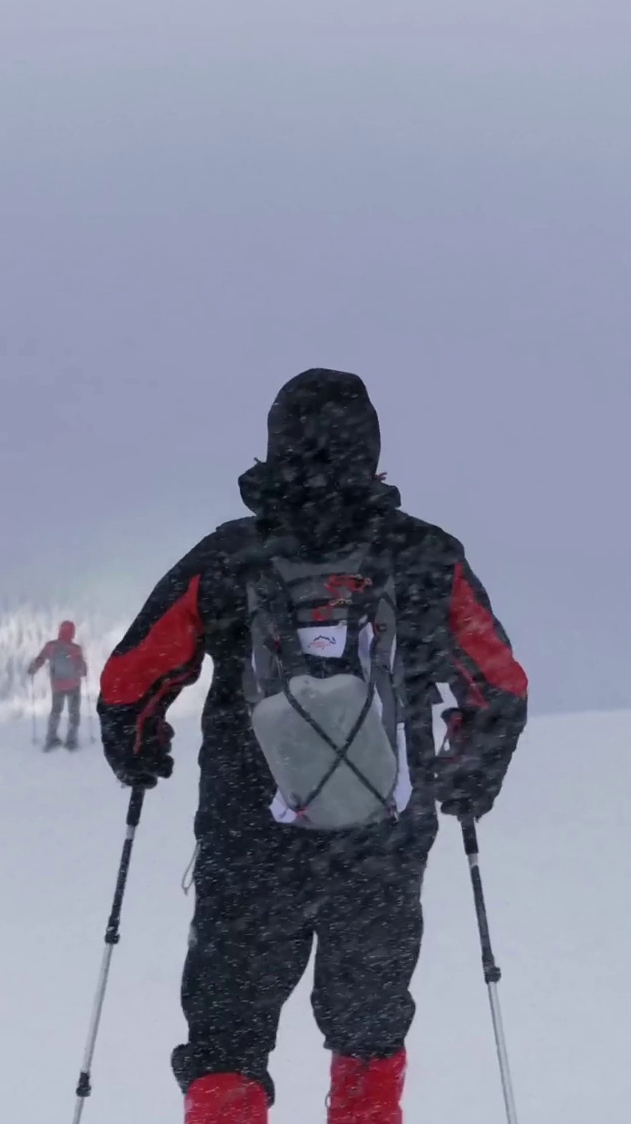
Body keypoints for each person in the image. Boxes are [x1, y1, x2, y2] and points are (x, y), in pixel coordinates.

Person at [98, 369, 528, 1124]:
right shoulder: (424, 554)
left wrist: (139, 746)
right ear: (373, 454)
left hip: (248, 840)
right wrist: (469, 773)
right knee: (368, 1025)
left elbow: (131, 680)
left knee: (228, 1036)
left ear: (273, 448)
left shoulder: (228, 556)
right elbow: (498, 686)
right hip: (382, 843)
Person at [29, 620, 87, 751]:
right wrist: (84, 670)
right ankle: (71, 741)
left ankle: (51, 738)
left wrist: (33, 669)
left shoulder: (51, 646)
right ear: (72, 632)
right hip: (74, 685)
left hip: (57, 685)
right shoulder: (75, 649)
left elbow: (40, 659)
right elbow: (82, 669)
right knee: (74, 713)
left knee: (55, 711)